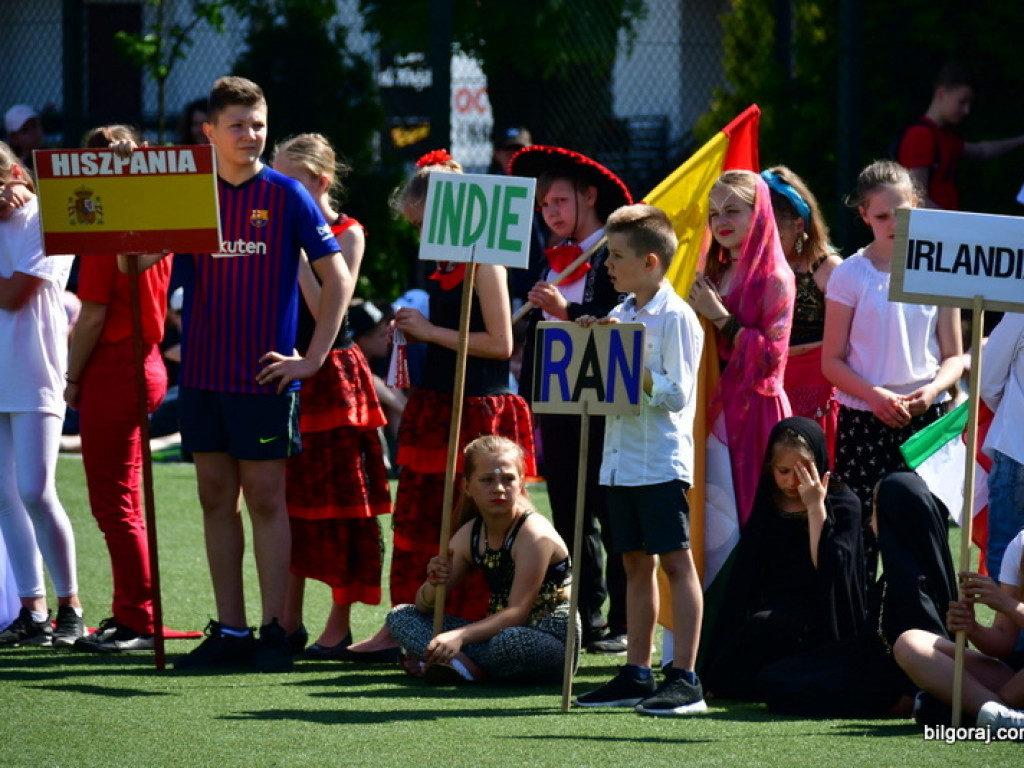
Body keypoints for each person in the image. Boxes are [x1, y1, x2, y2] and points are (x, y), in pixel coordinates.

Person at [126, 77, 353, 672]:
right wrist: (125, 190)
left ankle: (276, 633)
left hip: (264, 378)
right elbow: (135, 257)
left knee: (267, 501)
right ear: (209, 131)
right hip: (201, 376)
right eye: (237, 125)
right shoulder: (188, 193)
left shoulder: (287, 195)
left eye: (258, 124)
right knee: (213, 498)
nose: (250, 135)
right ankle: (229, 632)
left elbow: (339, 278)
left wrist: (315, 357)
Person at [341, 149, 534, 662]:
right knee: (419, 520)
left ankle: (464, 629)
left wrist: (430, 331)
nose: (420, 231)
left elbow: (502, 343)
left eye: (424, 221)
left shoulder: (485, 258)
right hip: (438, 403)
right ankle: (403, 622)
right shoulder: (438, 259)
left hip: (479, 409)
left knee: (467, 524)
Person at [572, 203, 707, 716]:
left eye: (617, 255)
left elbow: (677, 395)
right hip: (619, 460)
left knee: (675, 562)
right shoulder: (623, 312)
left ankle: (685, 677)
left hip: (660, 460)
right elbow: (604, 382)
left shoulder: (677, 318)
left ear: (651, 262)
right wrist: (592, 340)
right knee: (632, 565)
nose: (607, 263)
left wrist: (628, 359)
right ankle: (636, 671)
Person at [269, 133, 392, 660]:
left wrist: (298, 251)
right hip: (280, 369)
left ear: (320, 182)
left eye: (288, 180)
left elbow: (327, 311)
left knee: (343, 504)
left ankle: (337, 625)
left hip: (334, 378)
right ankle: (284, 622)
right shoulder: (269, 224)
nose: (275, 189)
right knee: (287, 503)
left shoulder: (348, 232)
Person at [508, 144, 631, 654]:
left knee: (613, 508)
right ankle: (583, 613)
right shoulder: (547, 258)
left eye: (559, 200)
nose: (551, 212)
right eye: (543, 206)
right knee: (569, 510)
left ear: (589, 196)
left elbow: (620, 318)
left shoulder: (617, 251)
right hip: (557, 401)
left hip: (607, 401)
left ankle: (625, 618)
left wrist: (565, 307)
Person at [60, 125, 172, 653]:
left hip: (116, 365)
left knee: (115, 505)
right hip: (140, 362)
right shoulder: (151, 218)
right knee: (122, 501)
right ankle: (133, 612)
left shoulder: (111, 226)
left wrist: (71, 378)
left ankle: (137, 619)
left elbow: (93, 315)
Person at [822, 160, 963, 576]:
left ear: (916, 205)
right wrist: (874, 396)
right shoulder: (850, 274)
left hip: (926, 420)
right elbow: (832, 361)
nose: (894, 224)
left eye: (902, 213)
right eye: (882, 216)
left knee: (925, 532)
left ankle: (923, 630)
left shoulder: (938, 267)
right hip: (864, 420)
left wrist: (934, 389)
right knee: (859, 537)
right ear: (864, 215)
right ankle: (860, 635)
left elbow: (955, 356)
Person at [757, 472, 958, 718]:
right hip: (863, 661)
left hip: (883, 683)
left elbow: (930, 643)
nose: (870, 517)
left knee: (778, 684)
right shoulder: (904, 566)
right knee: (780, 672)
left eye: (875, 507)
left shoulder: (911, 578)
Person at [386, 435, 574, 684]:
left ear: (521, 483)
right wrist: (434, 582)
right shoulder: (470, 533)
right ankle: (461, 664)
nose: (498, 488)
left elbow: (517, 613)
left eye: (508, 479)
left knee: (511, 641)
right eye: (487, 480)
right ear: (467, 486)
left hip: (544, 641)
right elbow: (424, 607)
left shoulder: (533, 534)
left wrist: (458, 637)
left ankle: (457, 663)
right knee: (400, 617)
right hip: (494, 637)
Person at [701, 416, 865, 700]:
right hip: (776, 619)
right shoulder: (768, 503)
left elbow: (830, 570)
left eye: (803, 471)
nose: (791, 482)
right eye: (783, 471)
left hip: (828, 621)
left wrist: (815, 507)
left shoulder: (843, 502)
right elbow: (742, 583)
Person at [0, 141, 85, 648]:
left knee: (35, 490)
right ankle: (32, 611)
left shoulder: (46, 213)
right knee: (4, 495)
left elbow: (16, 293)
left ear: (13, 172)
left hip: (35, 367)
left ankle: (69, 604)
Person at [687, 169, 795, 529]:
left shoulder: (775, 278)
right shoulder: (710, 275)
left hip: (756, 412)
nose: (721, 221)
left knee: (753, 517)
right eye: (714, 213)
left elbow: (770, 358)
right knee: (714, 520)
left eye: (732, 210)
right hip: (712, 406)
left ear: (758, 212)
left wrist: (720, 317)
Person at [893, 528, 1024, 726]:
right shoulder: (1020, 544)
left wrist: (1007, 603)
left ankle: (978, 710)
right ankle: (1001, 714)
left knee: (936, 707)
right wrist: (972, 628)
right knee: (911, 644)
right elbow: (1003, 641)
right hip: (1016, 676)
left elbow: (1009, 607)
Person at [761, 167, 841, 462]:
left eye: (774, 232)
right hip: (773, 386)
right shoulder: (757, 270)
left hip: (819, 389)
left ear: (798, 224)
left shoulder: (827, 267)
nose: (765, 240)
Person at [896, 62, 1024, 211]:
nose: (967, 110)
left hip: (940, 228)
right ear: (941, 94)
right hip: (928, 231)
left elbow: (982, 151)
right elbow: (916, 200)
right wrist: (956, 225)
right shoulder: (920, 136)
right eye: (962, 102)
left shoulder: (945, 136)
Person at [979, 312, 1024, 580]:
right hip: (1016, 447)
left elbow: (988, 383)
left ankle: (1008, 624)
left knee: (1006, 556)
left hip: (1017, 448)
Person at [3, 105, 44, 179]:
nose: (33, 133)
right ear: (14, 138)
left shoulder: (53, 157)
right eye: (25, 130)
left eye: (35, 126)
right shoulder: (10, 169)